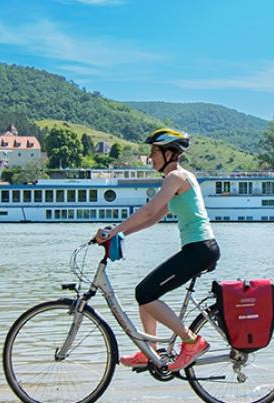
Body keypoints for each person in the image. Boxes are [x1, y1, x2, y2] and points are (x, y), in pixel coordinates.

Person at [93, 128, 220, 372]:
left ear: (169, 153)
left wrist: (112, 231)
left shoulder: (177, 178)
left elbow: (149, 211)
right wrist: (120, 235)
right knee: (146, 292)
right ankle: (150, 352)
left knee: (145, 292)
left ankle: (192, 341)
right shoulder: (177, 180)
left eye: (153, 152)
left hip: (200, 249)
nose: (150, 157)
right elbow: (154, 219)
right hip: (198, 249)